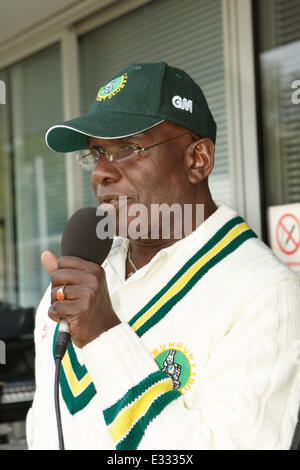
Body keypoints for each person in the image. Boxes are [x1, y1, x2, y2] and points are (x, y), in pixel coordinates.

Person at [26, 62, 300, 450]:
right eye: (97, 153)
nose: (100, 172)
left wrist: (104, 334)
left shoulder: (266, 293)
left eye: (128, 148)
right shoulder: (80, 271)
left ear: (198, 160)